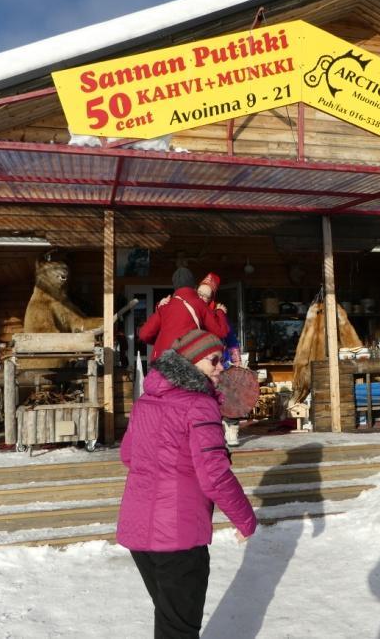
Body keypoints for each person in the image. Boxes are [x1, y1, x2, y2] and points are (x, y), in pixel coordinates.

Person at [117, 329, 257, 638]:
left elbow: (129, 455)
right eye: (214, 361)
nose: (222, 367)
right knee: (178, 629)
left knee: (171, 621)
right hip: (178, 536)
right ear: (192, 363)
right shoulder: (199, 405)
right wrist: (245, 519)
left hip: (139, 532)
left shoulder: (146, 401)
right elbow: (214, 474)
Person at [138, 269, 229, 362]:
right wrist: (220, 312)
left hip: (162, 361)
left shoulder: (166, 305)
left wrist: (161, 341)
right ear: (194, 286)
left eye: (206, 295)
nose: (202, 297)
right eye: (201, 293)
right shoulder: (199, 304)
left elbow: (144, 334)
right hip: (186, 361)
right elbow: (221, 332)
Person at [196, 272, 242, 368]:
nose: (200, 298)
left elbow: (231, 339)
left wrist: (237, 362)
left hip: (217, 361)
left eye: (205, 296)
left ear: (211, 298)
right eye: (199, 293)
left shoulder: (218, 313)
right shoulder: (190, 308)